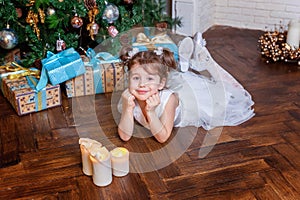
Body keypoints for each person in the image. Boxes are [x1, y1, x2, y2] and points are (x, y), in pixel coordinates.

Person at [117, 44, 255, 143]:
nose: (142, 84)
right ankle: (188, 64)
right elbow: (124, 136)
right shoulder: (129, 97)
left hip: (190, 104)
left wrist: (151, 112)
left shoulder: (168, 99)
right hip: (172, 92)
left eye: (149, 78)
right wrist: (127, 108)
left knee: (222, 99)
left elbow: (163, 137)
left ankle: (206, 64)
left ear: (160, 84)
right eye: (136, 78)